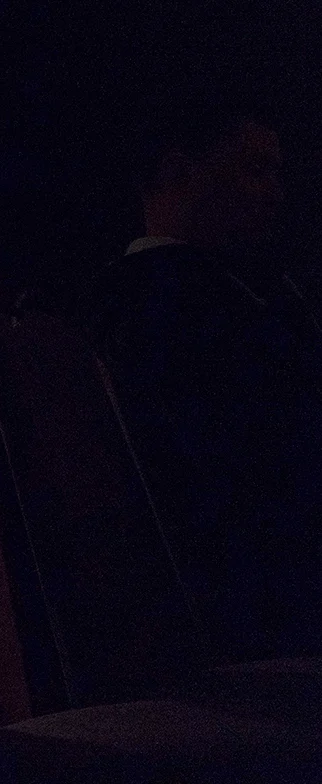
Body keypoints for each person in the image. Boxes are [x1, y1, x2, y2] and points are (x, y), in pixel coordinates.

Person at [80, 107, 322, 660]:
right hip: (252, 626)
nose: (276, 193)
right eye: (255, 170)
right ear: (177, 173)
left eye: (277, 172)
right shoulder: (177, 308)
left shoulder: (161, 301)